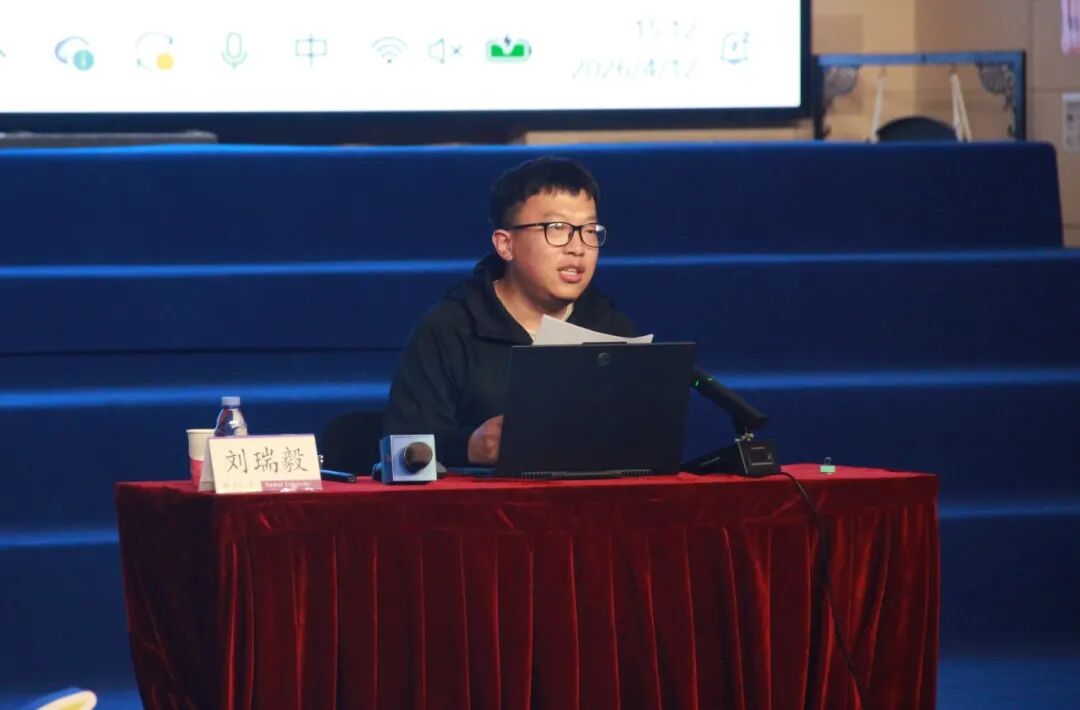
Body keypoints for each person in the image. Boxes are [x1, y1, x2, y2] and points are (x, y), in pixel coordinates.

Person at [383, 156, 638, 466]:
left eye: (589, 230)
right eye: (557, 228)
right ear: (506, 245)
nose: (578, 247)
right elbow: (401, 449)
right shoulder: (450, 328)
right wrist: (469, 447)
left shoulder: (610, 327)